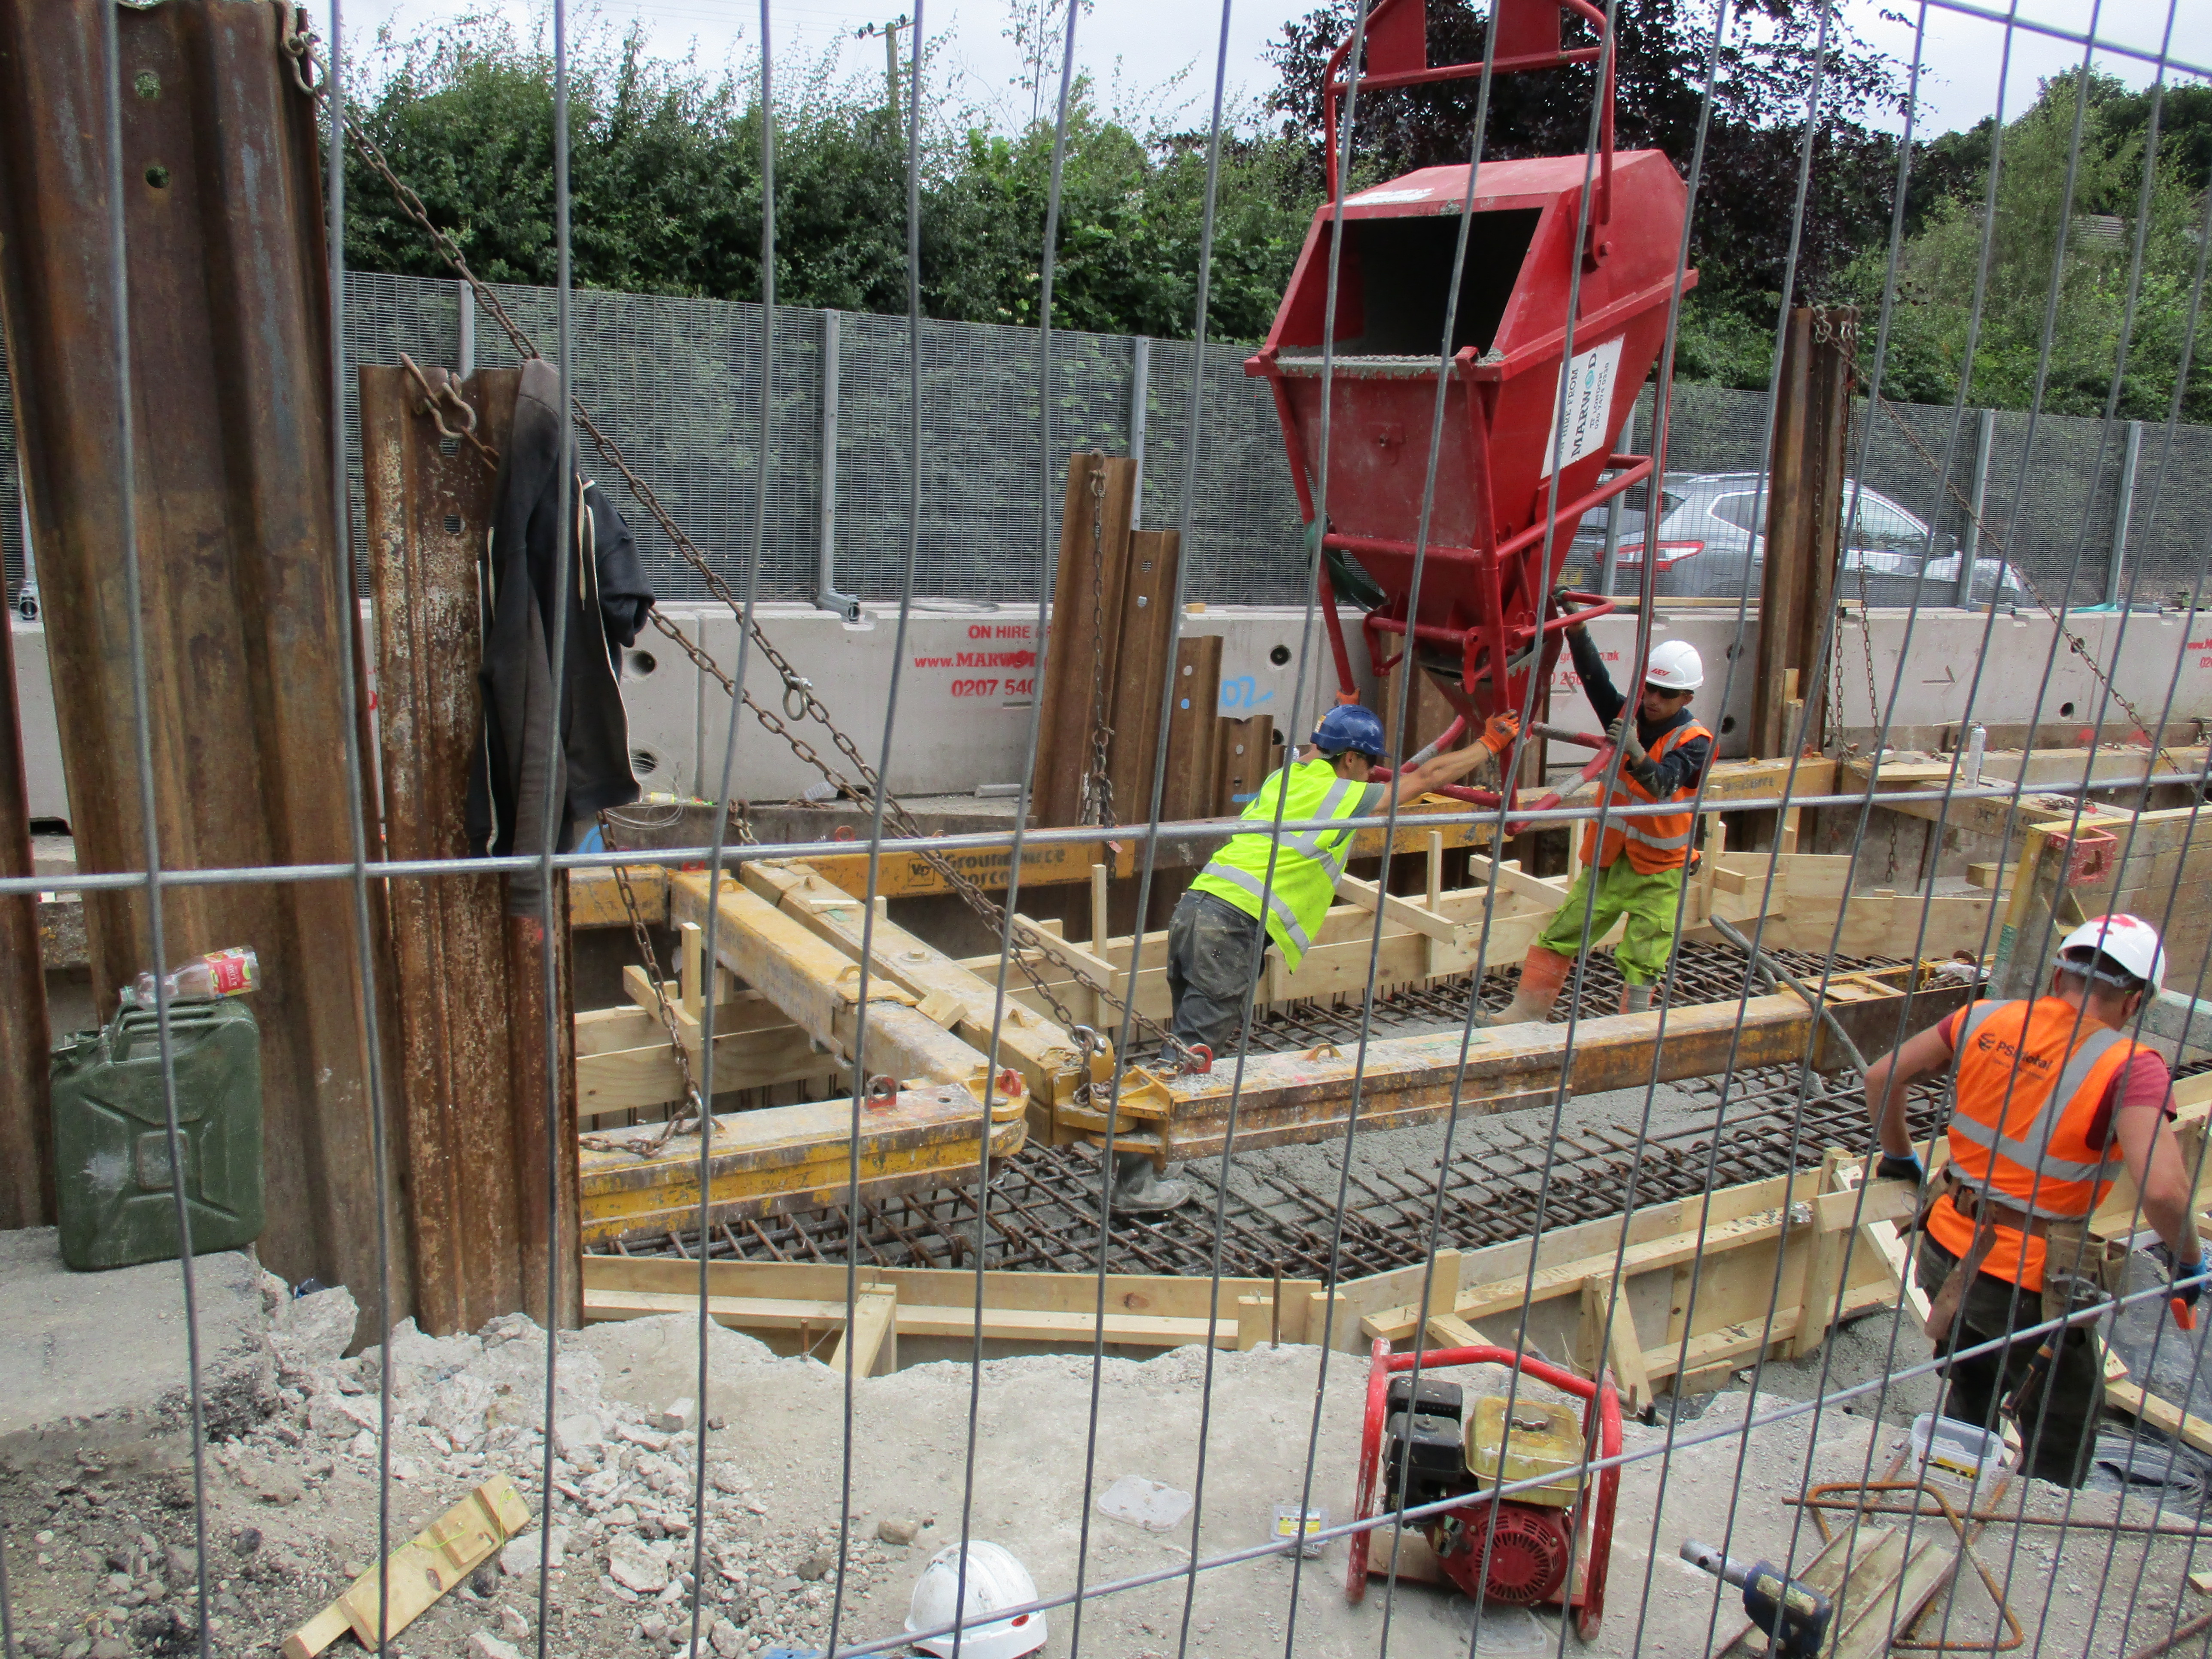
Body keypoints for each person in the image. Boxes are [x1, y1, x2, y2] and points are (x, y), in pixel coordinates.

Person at [1863, 915, 2205, 1487]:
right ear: (2135, 1000)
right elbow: (2165, 1190)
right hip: (2023, 1281)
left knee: (1973, 1377)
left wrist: (1899, 1156)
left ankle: (1954, 1480)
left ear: (2056, 975)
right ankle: (2038, 1520)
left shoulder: (1983, 1017)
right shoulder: (2131, 1068)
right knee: (2062, 1417)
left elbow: (1883, 1075)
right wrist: (2190, 1261)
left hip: (1944, 1244)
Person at [1484, 618, 1711, 1024]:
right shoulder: (1631, 713)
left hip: (1659, 871)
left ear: (1687, 696)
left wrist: (1636, 752)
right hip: (1608, 860)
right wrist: (1577, 632)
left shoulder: (1695, 741)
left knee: (1646, 954)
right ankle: (1525, 1014)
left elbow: (1664, 784)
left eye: (1666, 694)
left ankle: (1631, 1030)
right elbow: (1598, 685)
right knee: (1564, 930)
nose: (1654, 699)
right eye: (1649, 689)